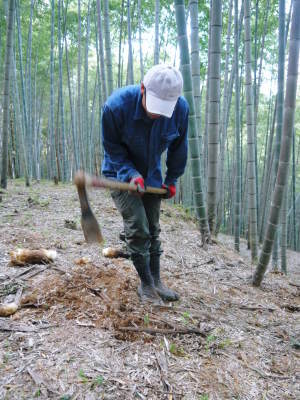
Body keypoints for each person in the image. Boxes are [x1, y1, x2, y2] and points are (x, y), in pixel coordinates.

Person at [101, 64, 189, 305]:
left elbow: (179, 149)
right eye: (154, 107)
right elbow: (112, 149)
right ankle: (146, 285)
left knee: (153, 226)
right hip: (118, 173)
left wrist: (172, 180)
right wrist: (129, 173)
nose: (157, 115)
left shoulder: (180, 109)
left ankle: (157, 280)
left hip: (151, 175)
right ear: (142, 89)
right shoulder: (115, 107)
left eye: (164, 110)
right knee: (138, 227)